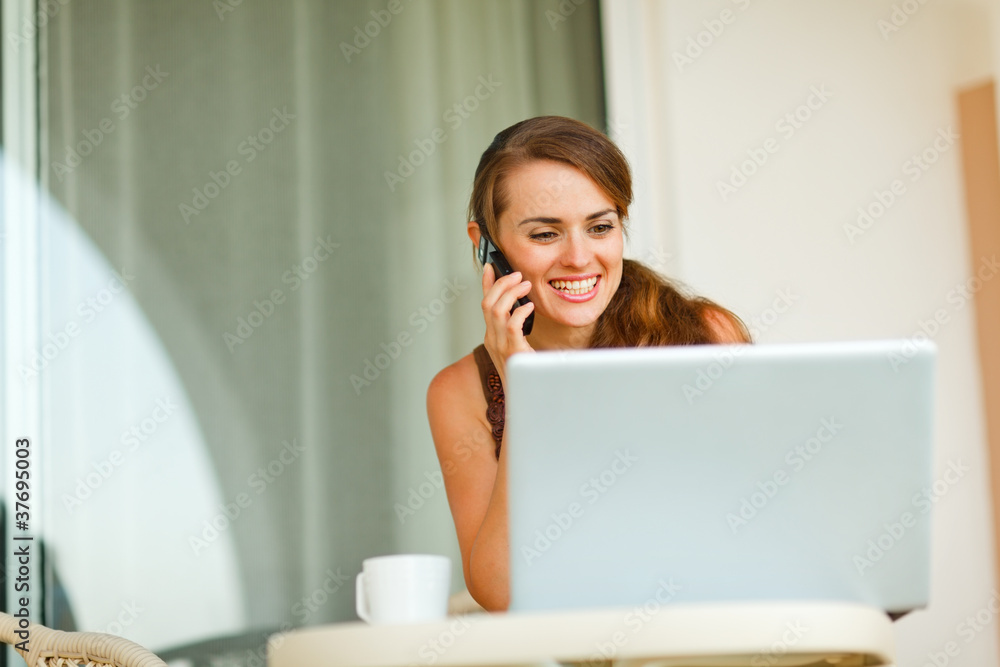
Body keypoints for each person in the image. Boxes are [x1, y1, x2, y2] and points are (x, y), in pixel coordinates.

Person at [425, 115, 750, 612]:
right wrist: (526, 387)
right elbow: (501, 590)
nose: (579, 258)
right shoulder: (461, 391)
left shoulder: (705, 337)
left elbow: (754, 529)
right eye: (544, 234)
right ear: (487, 245)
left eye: (600, 227)